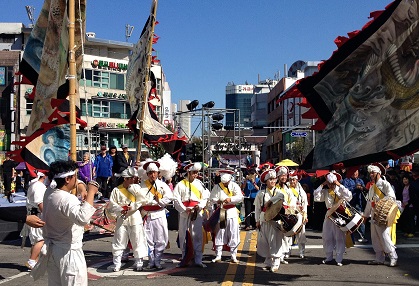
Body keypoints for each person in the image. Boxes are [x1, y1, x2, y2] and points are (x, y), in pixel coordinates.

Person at [30, 160, 99, 285]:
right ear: (67, 179)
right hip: (69, 252)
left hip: (54, 250)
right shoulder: (67, 199)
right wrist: (91, 192)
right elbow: (82, 218)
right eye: (75, 176)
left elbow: (74, 183)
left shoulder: (49, 192)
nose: (77, 180)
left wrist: (82, 188)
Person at [108, 167, 147, 272]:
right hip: (122, 218)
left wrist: (133, 206)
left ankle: (139, 262)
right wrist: (120, 209)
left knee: (137, 240)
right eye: (130, 178)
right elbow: (112, 204)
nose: (132, 180)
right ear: (125, 179)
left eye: (133, 178)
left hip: (134, 217)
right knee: (119, 240)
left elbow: (142, 200)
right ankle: (117, 263)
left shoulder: (136, 188)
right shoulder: (116, 190)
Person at [173, 162, 210, 268]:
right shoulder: (180, 184)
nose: (196, 175)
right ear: (188, 172)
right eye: (194, 172)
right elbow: (176, 199)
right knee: (183, 236)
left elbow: (205, 197)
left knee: (197, 235)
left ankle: (198, 259)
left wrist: (200, 206)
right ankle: (185, 258)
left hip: (196, 212)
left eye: (197, 173)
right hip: (185, 213)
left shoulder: (200, 184)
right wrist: (184, 209)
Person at [137, 161, 173, 270]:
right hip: (147, 215)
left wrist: (160, 200)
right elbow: (138, 199)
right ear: (147, 174)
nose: (153, 175)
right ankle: (151, 261)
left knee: (161, 239)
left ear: (158, 173)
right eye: (150, 173)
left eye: (155, 173)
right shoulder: (142, 185)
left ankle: (158, 260)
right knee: (148, 239)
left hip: (159, 214)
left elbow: (170, 197)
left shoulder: (163, 185)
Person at [314, 172, 352, 266]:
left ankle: (339, 258)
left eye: (332, 183)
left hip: (340, 215)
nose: (331, 185)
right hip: (329, 215)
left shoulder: (340, 190)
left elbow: (349, 196)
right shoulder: (326, 191)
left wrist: (339, 185)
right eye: (329, 183)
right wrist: (323, 184)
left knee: (339, 237)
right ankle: (329, 257)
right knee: (327, 236)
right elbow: (316, 196)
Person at [363, 163, 398, 267]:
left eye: (373, 173)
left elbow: (392, 198)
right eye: (370, 173)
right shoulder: (371, 187)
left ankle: (393, 256)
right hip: (374, 214)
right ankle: (379, 258)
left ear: (378, 173)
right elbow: (369, 202)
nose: (371, 175)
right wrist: (365, 215)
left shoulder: (385, 184)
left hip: (383, 213)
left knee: (384, 236)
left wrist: (381, 203)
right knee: (375, 237)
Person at [209, 169, 243, 263]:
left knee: (233, 232)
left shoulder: (234, 185)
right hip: (222, 211)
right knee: (220, 232)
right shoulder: (217, 187)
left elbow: (240, 197)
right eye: (223, 183)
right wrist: (217, 200)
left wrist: (230, 199)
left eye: (226, 182)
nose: (225, 184)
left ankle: (233, 255)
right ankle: (218, 255)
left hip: (232, 211)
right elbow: (212, 197)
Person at [254, 169, 284, 272]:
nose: (272, 181)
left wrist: (270, 201)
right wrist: (257, 220)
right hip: (264, 218)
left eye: (274, 179)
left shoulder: (279, 191)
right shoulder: (261, 193)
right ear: (266, 181)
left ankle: (276, 261)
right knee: (265, 241)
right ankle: (268, 261)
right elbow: (257, 208)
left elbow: (281, 197)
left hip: (275, 219)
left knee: (275, 240)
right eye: (270, 179)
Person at [25, 171, 47, 270]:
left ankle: (35, 260)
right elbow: (40, 202)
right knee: (40, 239)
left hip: (34, 213)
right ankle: (32, 260)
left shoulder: (35, 185)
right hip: (37, 215)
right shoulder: (38, 186)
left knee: (37, 240)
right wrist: (47, 215)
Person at [342, 169, 368, 242]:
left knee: (361, 220)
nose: (355, 173)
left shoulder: (360, 180)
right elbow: (345, 191)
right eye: (353, 172)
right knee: (350, 221)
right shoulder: (346, 180)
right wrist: (354, 188)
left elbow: (365, 189)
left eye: (356, 172)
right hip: (349, 203)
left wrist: (362, 188)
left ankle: (362, 236)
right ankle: (350, 238)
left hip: (359, 203)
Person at [287, 170, 308, 258]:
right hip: (290, 213)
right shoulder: (287, 189)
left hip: (300, 213)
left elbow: (304, 203)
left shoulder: (301, 191)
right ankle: (287, 251)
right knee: (289, 233)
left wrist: (305, 215)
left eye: (294, 180)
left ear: (297, 180)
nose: (292, 181)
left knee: (301, 233)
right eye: (291, 180)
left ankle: (301, 251)